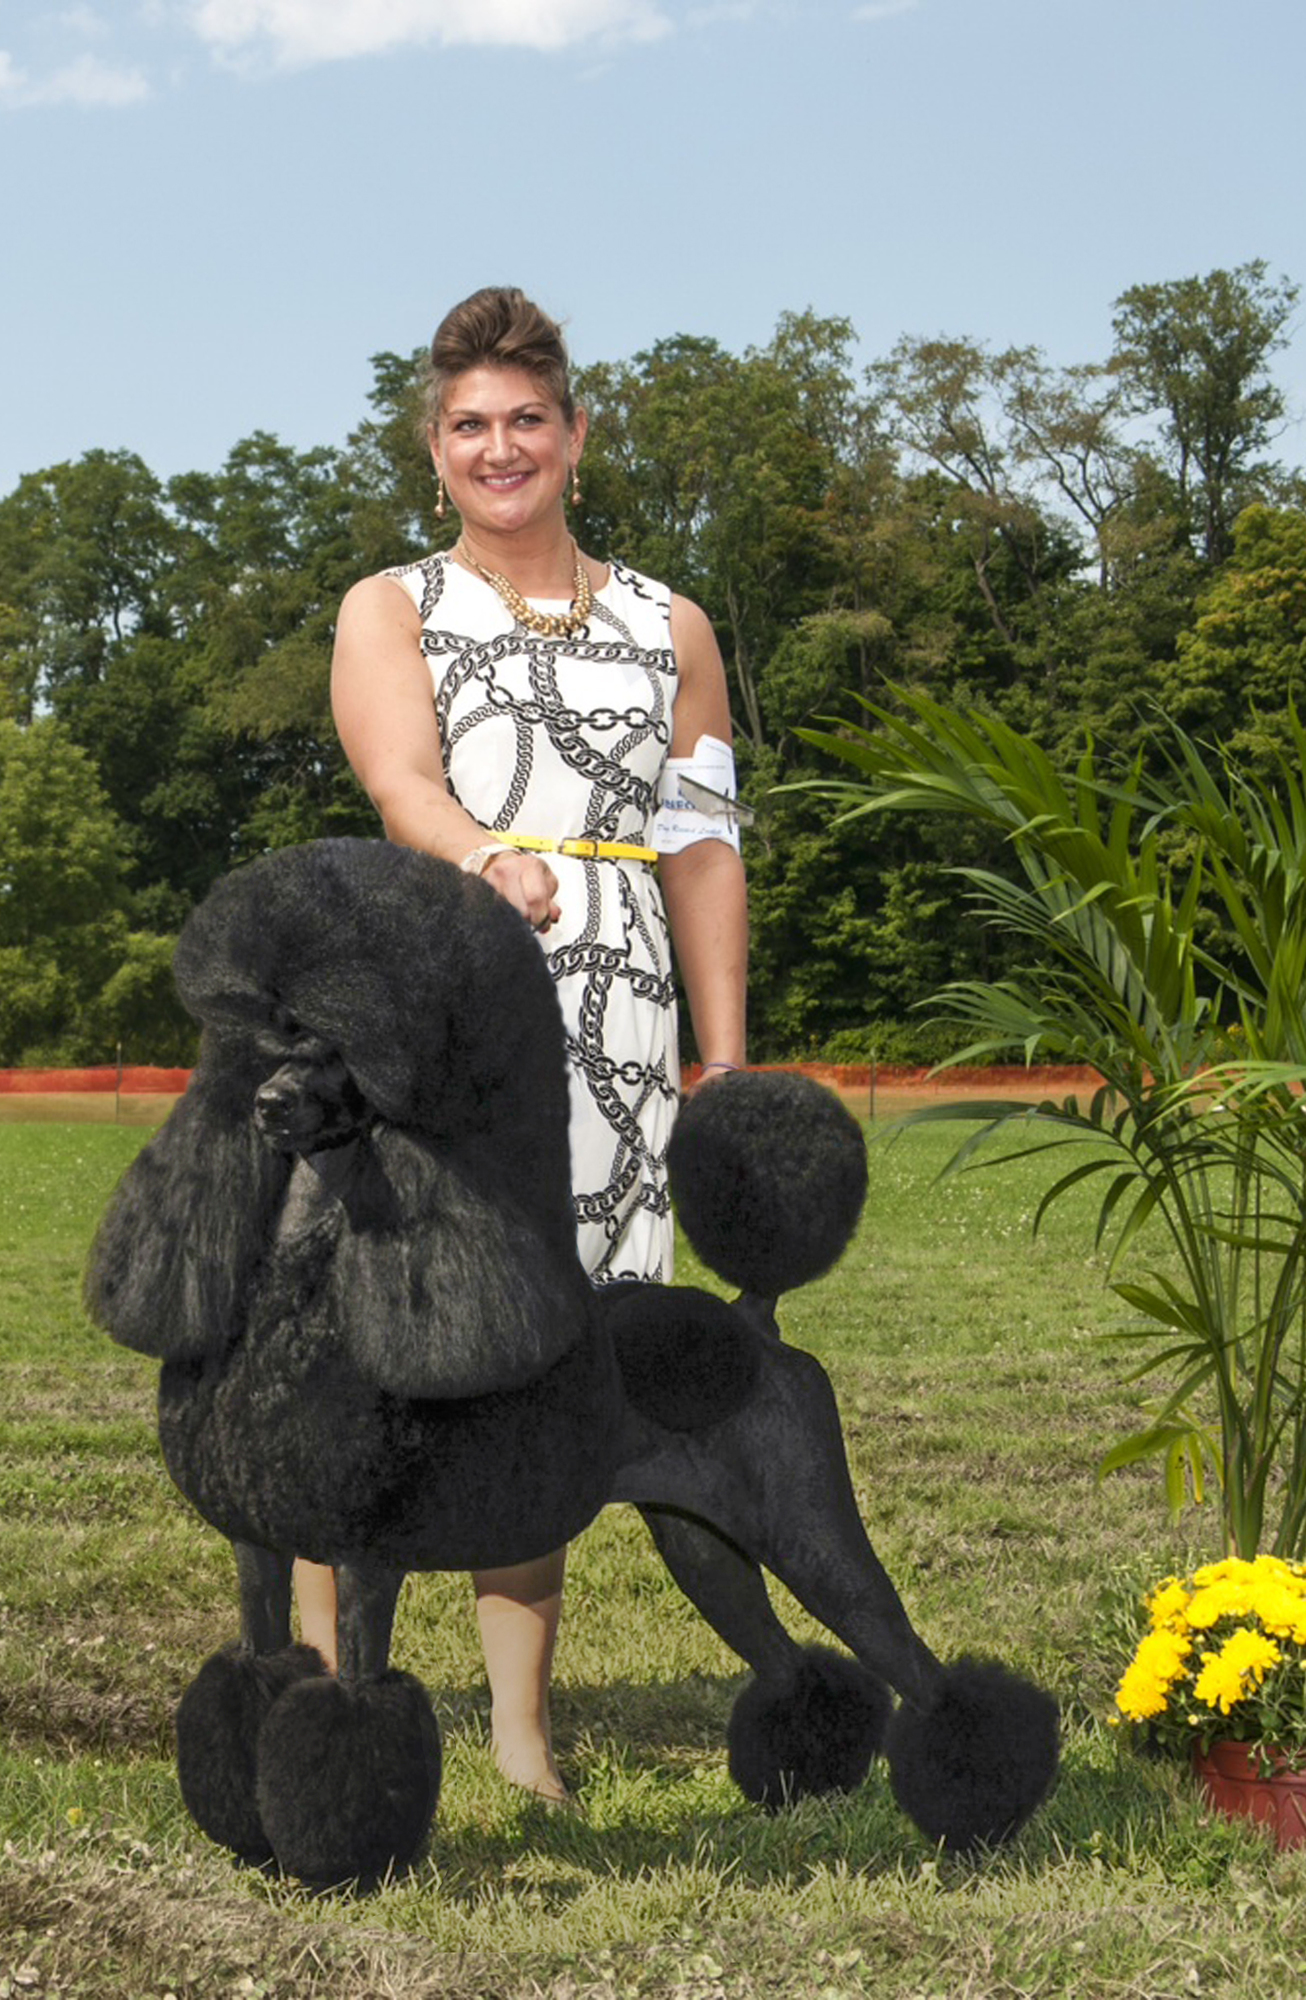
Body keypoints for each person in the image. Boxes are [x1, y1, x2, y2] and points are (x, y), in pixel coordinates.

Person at [316, 285, 749, 1801]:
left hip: (622, 1021)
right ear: (433, 448)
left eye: (525, 420)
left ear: (574, 433)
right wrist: (486, 859)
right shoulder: (393, 607)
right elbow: (403, 784)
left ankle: (519, 1735)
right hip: (456, 1001)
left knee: (552, 1365)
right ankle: (328, 1698)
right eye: (468, 426)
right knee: (391, 1349)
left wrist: (722, 1061)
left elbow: (703, 844)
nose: (498, 448)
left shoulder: (672, 625)